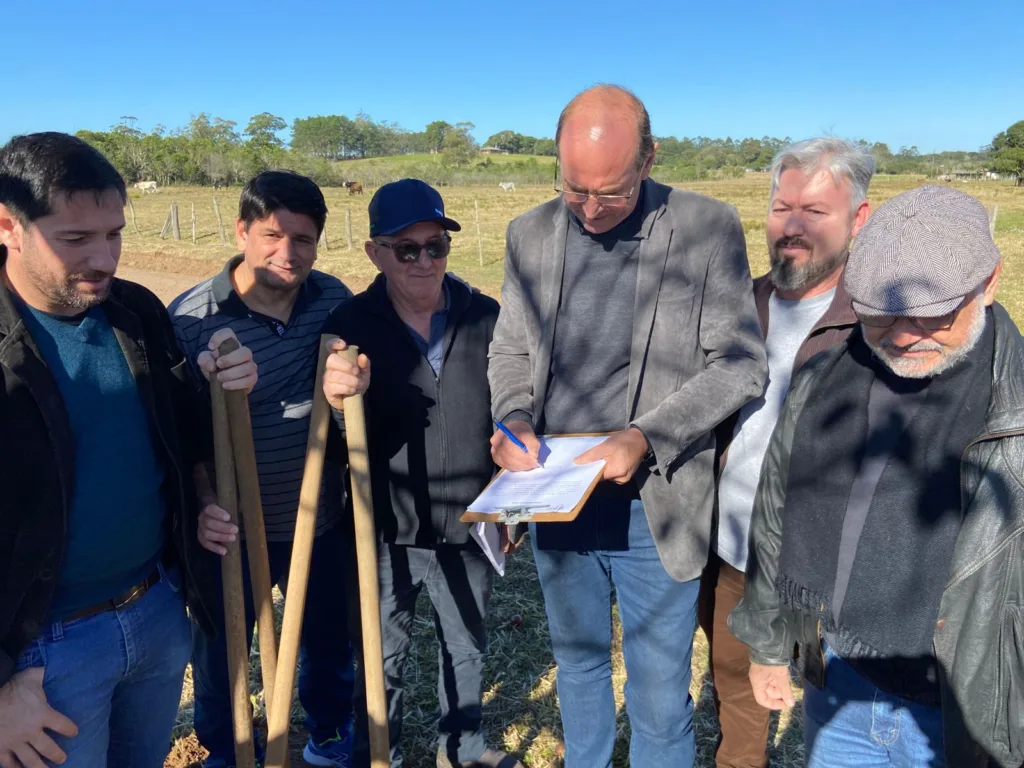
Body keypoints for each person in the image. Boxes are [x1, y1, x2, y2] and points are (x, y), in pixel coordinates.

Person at [488, 85, 767, 768]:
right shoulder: (528, 233)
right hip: (558, 495)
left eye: (609, 193)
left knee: (659, 691)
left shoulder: (705, 227)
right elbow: (511, 349)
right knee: (578, 665)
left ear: (649, 159)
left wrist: (644, 437)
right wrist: (513, 417)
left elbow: (740, 364)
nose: (588, 209)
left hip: (656, 502)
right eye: (573, 189)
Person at [729, 185, 1024, 768]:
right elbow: (780, 515)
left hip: (966, 710)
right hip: (839, 681)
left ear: (989, 283)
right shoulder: (824, 380)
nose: (904, 334)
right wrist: (772, 645)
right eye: (878, 314)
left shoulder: (1013, 414)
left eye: (934, 313)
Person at [0, 132, 257, 768]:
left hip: (155, 611)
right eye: (75, 238)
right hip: (39, 655)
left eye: (114, 234)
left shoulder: (136, 311)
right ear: (8, 226)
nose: (104, 258)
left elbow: (179, 434)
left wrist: (203, 495)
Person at [321, 179, 523, 768]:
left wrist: (510, 508)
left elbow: (513, 411)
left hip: (471, 519)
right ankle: (377, 752)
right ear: (375, 253)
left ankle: (461, 747)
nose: (424, 261)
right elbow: (332, 437)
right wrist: (339, 405)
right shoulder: (348, 325)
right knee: (381, 651)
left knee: (466, 644)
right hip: (384, 526)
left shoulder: (485, 316)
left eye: (436, 246)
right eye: (406, 249)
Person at [170, 170, 360, 768]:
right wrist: (205, 500)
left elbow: (349, 391)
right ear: (242, 232)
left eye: (303, 239)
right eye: (273, 235)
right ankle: (229, 751)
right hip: (230, 525)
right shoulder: (192, 318)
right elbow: (177, 434)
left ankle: (327, 734)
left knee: (327, 638)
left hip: (318, 515)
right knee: (223, 650)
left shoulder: (332, 299)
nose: (288, 252)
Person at [697, 137, 874, 768]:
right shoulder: (738, 307)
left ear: (859, 218)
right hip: (732, 546)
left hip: (821, 566)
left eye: (815, 212)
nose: (792, 227)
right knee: (737, 687)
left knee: (833, 704)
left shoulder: (878, 324)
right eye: (781, 208)